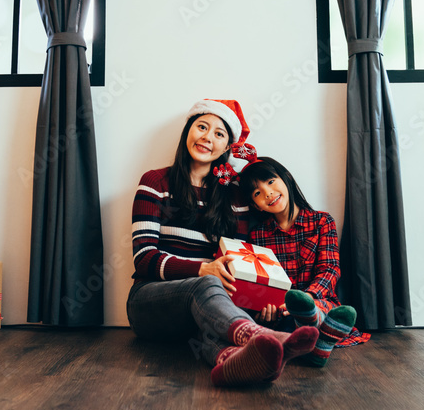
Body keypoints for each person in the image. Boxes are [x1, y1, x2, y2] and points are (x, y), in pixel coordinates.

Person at [127, 100, 318, 387]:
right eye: (202, 127)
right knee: (206, 284)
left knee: (210, 324)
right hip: (149, 304)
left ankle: (233, 361)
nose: (207, 137)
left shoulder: (234, 197)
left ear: (227, 147)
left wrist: (259, 301)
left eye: (219, 134)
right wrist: (204, 269)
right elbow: (143, 258)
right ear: (187, 132)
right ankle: (260, 336)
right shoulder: (155, 182)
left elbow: (238, 264)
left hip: (204, 313)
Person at [239, 156, 370, 367]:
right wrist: (267, 308)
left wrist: (308, 298)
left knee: (320, 313)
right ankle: (320, 345)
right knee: (282, 329)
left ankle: (313, 325)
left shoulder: (322, 221)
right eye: (257, 193)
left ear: (286, 179)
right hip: (282, 312)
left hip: (319, 301)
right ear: (257, 206)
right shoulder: (257, 236)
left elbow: (330, 269)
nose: (268, 193)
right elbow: (261, 282)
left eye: (271, 182)